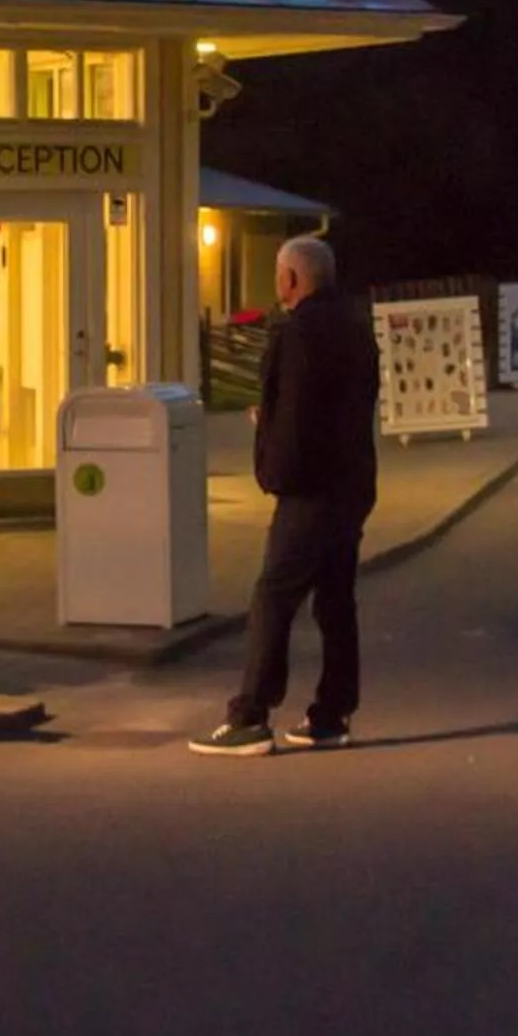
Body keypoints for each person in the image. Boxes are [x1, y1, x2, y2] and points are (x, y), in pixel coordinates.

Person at [193, 234, 380, 757]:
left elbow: (296, 416)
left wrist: (271, 461)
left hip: (309, 488)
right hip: (353, 482)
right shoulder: (357, 327)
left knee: (273, 594)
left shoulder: (296, 334)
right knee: (335, 599)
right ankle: (332, 713)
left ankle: (250, 715)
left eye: (279, 275)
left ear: (291, 279)